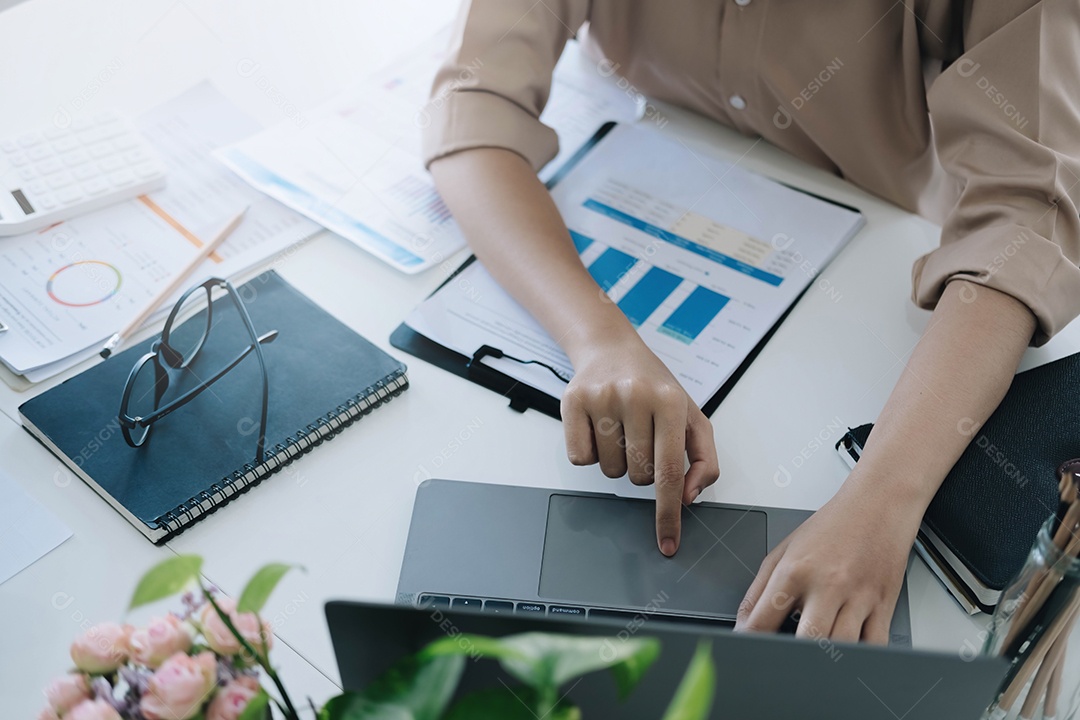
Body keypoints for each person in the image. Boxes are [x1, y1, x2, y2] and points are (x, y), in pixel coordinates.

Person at [420, 0, 1080, 643]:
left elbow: (1029, 218)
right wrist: (598, 341)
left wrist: (880, 503)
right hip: (640, 166)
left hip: (872, 270)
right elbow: (473, 111)